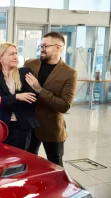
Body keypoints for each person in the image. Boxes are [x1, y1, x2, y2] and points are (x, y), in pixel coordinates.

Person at [24, 32, 78, 167]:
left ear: (58, 47)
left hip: (52, 128)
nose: (41, 48)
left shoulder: (69, 73)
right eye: (41, 45)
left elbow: (64, 106)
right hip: (28, 125)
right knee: (27, 163)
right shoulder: (30, 64)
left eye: (45, 46)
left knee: (55, 165)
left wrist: (39, 89)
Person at [0, 42, 39, 151]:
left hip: (23, 125)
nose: (15, 57)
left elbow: (31, 97)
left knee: (20, 158)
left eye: (16, 53)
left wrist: (6, 101)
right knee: (4, 157)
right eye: (11, 54)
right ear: (0, 58)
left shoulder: (25, 73)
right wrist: (16, 97)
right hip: (3, 125)